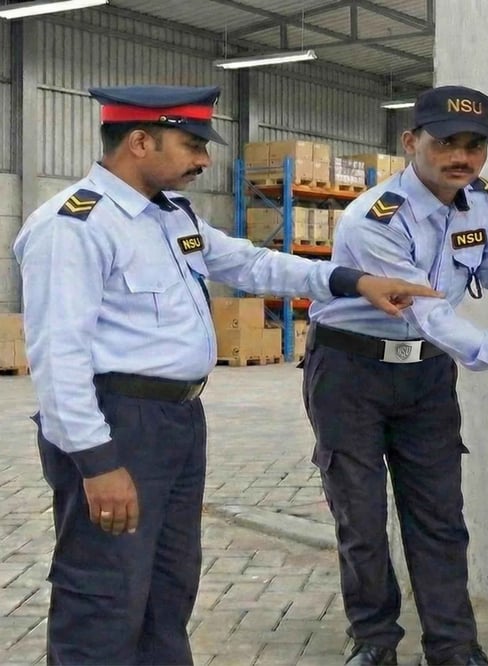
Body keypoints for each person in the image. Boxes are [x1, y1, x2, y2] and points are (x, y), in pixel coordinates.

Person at [13, 84, 441, 666]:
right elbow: (58, 356)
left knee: (168, 587)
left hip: (177, 420)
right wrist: (96, 463)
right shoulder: (74, 225)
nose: (204, 160)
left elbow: (250, 262)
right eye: (192, 146)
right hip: (118, 424)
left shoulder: (171, 216)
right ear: (139, 142)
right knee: (105, 592)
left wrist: (353, 281)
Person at [302, 85, 488, 666]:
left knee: (440, 516)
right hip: (350, 374)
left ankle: (453, 647)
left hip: (426, 376)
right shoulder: (374, 218)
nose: (461, 157)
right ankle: (374, 640)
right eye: (445, 143)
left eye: (474, 145)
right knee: (362, 517)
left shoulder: (478, 202)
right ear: (410, 142)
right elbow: (428, 313)